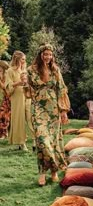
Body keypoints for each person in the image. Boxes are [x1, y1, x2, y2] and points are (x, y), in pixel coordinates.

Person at [27, 43, 70, 186]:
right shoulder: (31, 70)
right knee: (41, 141)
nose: (48, 57)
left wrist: (63, 111)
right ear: (40, 55)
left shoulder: (55, 70)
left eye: (50, 55)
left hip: (53, 109)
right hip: (38, 108)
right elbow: (28, 89)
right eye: (45, 54)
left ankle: (53, 171)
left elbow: (62, 90)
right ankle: (42, 172)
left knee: (53, 141)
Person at [5, 51, 35, 151]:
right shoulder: (10, 71)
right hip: (17, 96)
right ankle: (21, 142)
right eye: (22, 59)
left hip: (26, 95)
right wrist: (19, 83)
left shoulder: (24, 70)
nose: (24, 61)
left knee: (30, 117)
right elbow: (8, 86)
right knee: (19, 118)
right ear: (17, 59)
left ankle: (35, 140)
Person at [0, 60, 11, 139]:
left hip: (10, 97)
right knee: (3, 115)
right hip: (5, 98)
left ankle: (6, 133)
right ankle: (3, 133)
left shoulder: (7, 75)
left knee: (6, 116)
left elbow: (4, 87)